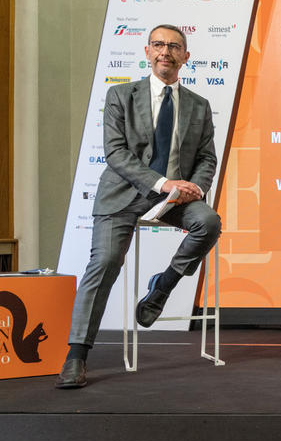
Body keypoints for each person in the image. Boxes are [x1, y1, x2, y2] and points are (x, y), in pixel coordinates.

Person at [57, 25, 221, 389]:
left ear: (185, 57)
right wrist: (163, 183)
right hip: (123, 194)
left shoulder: (199, 105)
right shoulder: (121, 95)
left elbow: (207, 158)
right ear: (147, 51)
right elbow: (115, 153)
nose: (166, 52)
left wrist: (195, 188)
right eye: (159, 45)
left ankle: (161, 288)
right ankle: (77, 355)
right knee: (104, 263)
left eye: (174, 46)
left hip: (174, 199)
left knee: (209, 222)